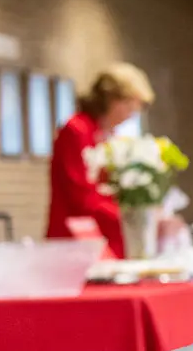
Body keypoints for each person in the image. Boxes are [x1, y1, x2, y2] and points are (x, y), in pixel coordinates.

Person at [48, 63, 153, 257]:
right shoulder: (77, 130)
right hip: (79, 236)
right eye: (129, 107)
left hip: (109, 234)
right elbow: (79, 194)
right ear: (113, 100)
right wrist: (124, 214)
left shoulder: (111, 135)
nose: (130, 116)